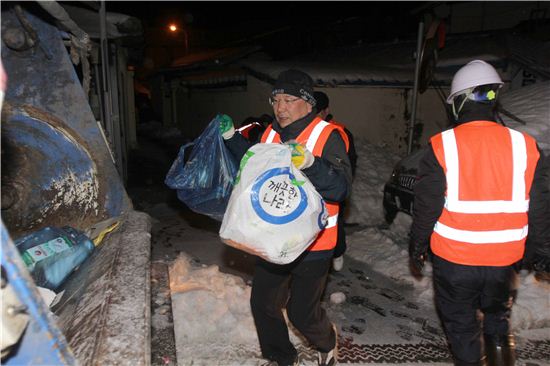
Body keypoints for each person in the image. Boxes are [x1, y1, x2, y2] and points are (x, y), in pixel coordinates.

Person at [409, 60, 550, 366]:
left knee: (462, 328)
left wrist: (417, 245)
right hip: (503, 262)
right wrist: (540, 251)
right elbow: (538, 205)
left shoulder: (442, 144)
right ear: (492, 98)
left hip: (455, 260)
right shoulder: (525, 145)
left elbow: (427, 206)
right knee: (497, 322)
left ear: (458, 102)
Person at [220, 69, 352, 366]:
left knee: (301, 313)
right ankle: (282, 357)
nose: (280, 108)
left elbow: (340, 189)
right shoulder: (271, 133)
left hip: (314, 245)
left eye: (289, 100)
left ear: (307, 103)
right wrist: (231, 138)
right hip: (274, 237)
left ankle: (326, 341)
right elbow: (254, 159)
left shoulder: (328, 135)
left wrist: (309, 162)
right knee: (263, 303)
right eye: (276, 100)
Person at [314, 91, 358, 272]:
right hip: (308, 187)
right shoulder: (303, 129)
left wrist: (340, 184)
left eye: (318, 112)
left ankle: (338, 252)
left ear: (326, 111)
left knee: (332, 223)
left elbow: (350, 163)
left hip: (331, 186)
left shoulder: (339, 133)